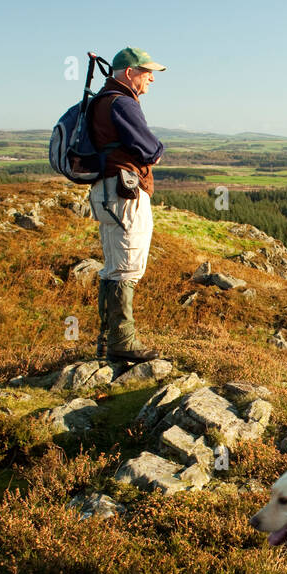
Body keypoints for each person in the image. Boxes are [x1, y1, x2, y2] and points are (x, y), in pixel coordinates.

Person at [86, 46, 167, 364]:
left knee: (113, 268)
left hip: (107, 192)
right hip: (125, 193)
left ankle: (110, 340)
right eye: (147, 72)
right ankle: (123, 342)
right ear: (129, 72)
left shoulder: (103, 101)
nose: (151, 79)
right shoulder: (122, 102)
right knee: (127, 267)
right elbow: (150, 150)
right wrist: (158, 148)